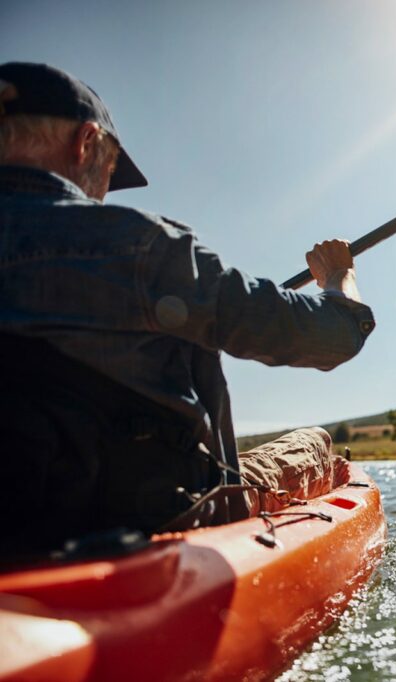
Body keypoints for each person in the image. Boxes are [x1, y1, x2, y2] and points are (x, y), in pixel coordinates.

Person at [0, 62, 376, 552]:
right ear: (86, 144)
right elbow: (334, 336)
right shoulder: (146, 249)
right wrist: (338, 278)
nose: (103, 190)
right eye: (109, 171)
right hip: (160, 519)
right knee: (317, 442)